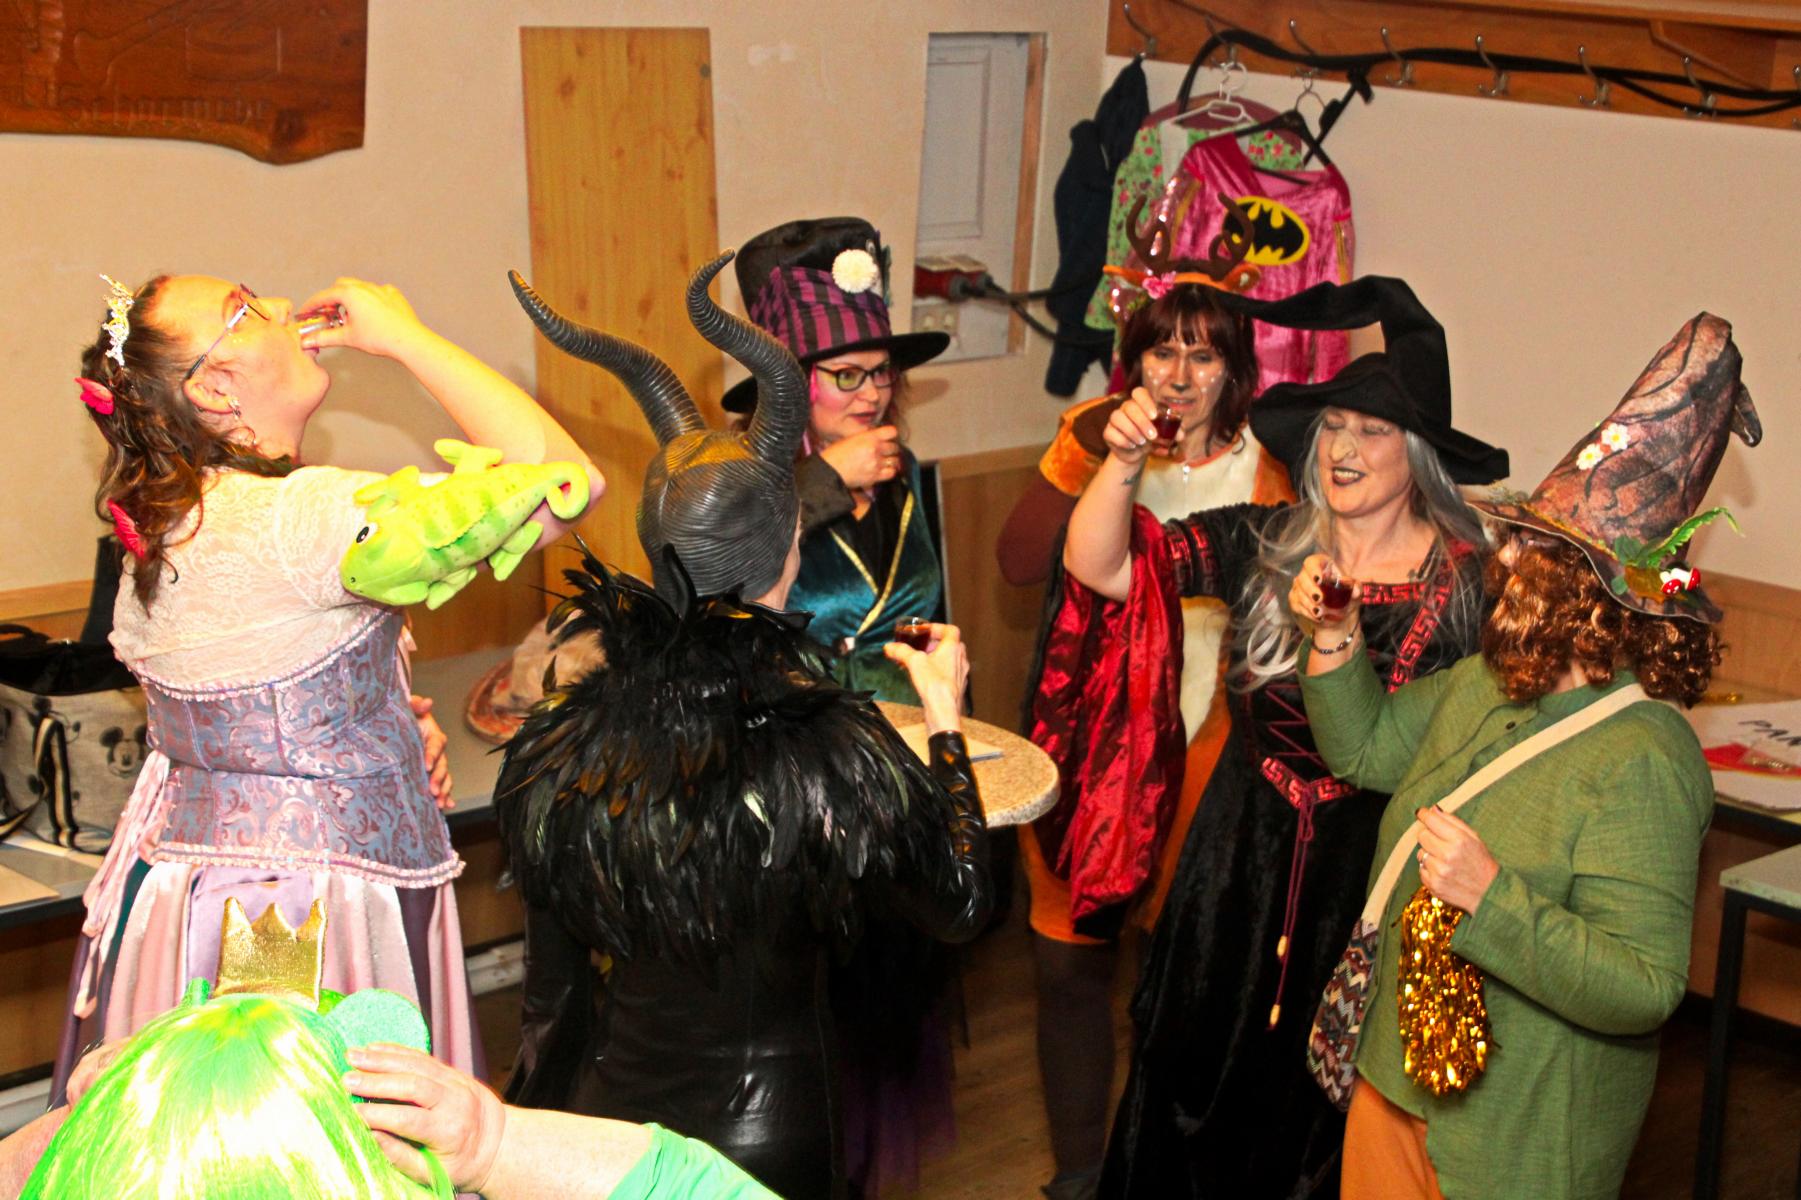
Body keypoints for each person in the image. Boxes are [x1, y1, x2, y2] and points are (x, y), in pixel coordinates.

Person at [496, 254, 992, 1200]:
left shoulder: (556, 741)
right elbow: (960, 903)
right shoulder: (826, 745)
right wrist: (943, 722)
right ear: (789, 547)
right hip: (767, 1145)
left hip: (607, 1136)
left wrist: (523, 1150)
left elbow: (551, 1003)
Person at [58, 271, 599, 1097]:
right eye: (245, 310)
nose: (280, 307)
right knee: (295, 1125)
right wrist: (406, 338)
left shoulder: (183, 518)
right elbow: (564, 482)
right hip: (295, 914)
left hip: (182, 892)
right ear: (215, 387)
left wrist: (386, 722)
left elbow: (250, 703)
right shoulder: (302, 517)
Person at [1064, 278, 1510, 1199]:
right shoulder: (1265, 540)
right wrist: (1120, 462)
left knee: (1322, 1126)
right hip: (1233, 868)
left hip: (1370, 885)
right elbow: (1100, 567)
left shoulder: (1471, 587)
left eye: (1372, 430)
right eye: (1332, 426)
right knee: (1188, 1078)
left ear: (1417, 452)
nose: (1341, 448)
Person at [1294, 313, 1758, 1200]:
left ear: (1590, 593)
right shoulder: (1491, 680)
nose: (1504, 555)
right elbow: (1363, 750)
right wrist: (1334, 632)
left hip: (1512, 1138)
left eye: (1535, 549)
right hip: (1392, 1084)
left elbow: (1644, 987)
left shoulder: (1645, 758)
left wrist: (1489, 897)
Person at [996, 231, 1290, 1200]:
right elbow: (1014, 562)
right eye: (1162, 350)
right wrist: (1082, 453)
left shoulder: (1270, 472)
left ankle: (1155, 1172)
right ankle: (1078, 1176)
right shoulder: (1095, 438)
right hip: (1085, 741)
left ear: (1235, 369)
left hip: (1207, 750)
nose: (1179, 375)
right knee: (1067, 967)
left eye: (1203, 354)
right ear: (1133, 362)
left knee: (1179, 979)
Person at [723, 217, 950, 706]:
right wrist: (824, 479)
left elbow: (924, 617)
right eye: (847, 375)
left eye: (881, 371)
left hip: (907, 728)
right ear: (789, 384)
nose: (872, 395)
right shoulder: (737, 480)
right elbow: (721, 597)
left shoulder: (902, 467)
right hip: (801, 735)